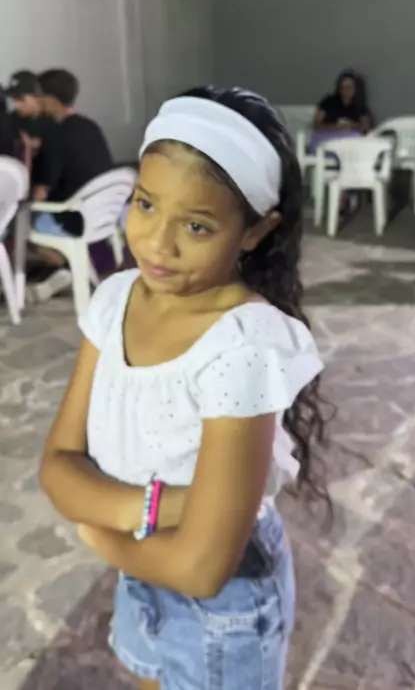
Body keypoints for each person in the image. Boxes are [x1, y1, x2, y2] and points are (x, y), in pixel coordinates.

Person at [39, 87, 326, 690]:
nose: (157, 243)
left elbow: (201, 567)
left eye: (197, 225)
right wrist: (161, 507)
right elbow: (57, 466)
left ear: (255, 230)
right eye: (145, 204)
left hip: (225, 609)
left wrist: (102, 531)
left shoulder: (241, 346)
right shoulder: (115, 300)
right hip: (142, 571)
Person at [28, 69, 113, 302]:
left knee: (22, 224)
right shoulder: (90, 126)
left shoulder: (55, 134)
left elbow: (42, 190)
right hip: (104, 215)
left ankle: (71, 267)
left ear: (50, 99)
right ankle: (71, 269)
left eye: (38, 96)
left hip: (73, 219)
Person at [5, 70, 57, 189]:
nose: (16, 105)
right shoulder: (12, 118)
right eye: (13, 99)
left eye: (21, 99)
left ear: (37, 97)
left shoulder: (53, 121)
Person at [313, 69, 372, 134]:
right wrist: (336, 127)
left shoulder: (360, 105)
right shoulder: (328, 102)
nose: (345, 90)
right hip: (327, 136)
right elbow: (316, 125)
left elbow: (365, 127)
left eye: (349, 87)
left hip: (350, 138)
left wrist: (352, 125)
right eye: (343, 87)